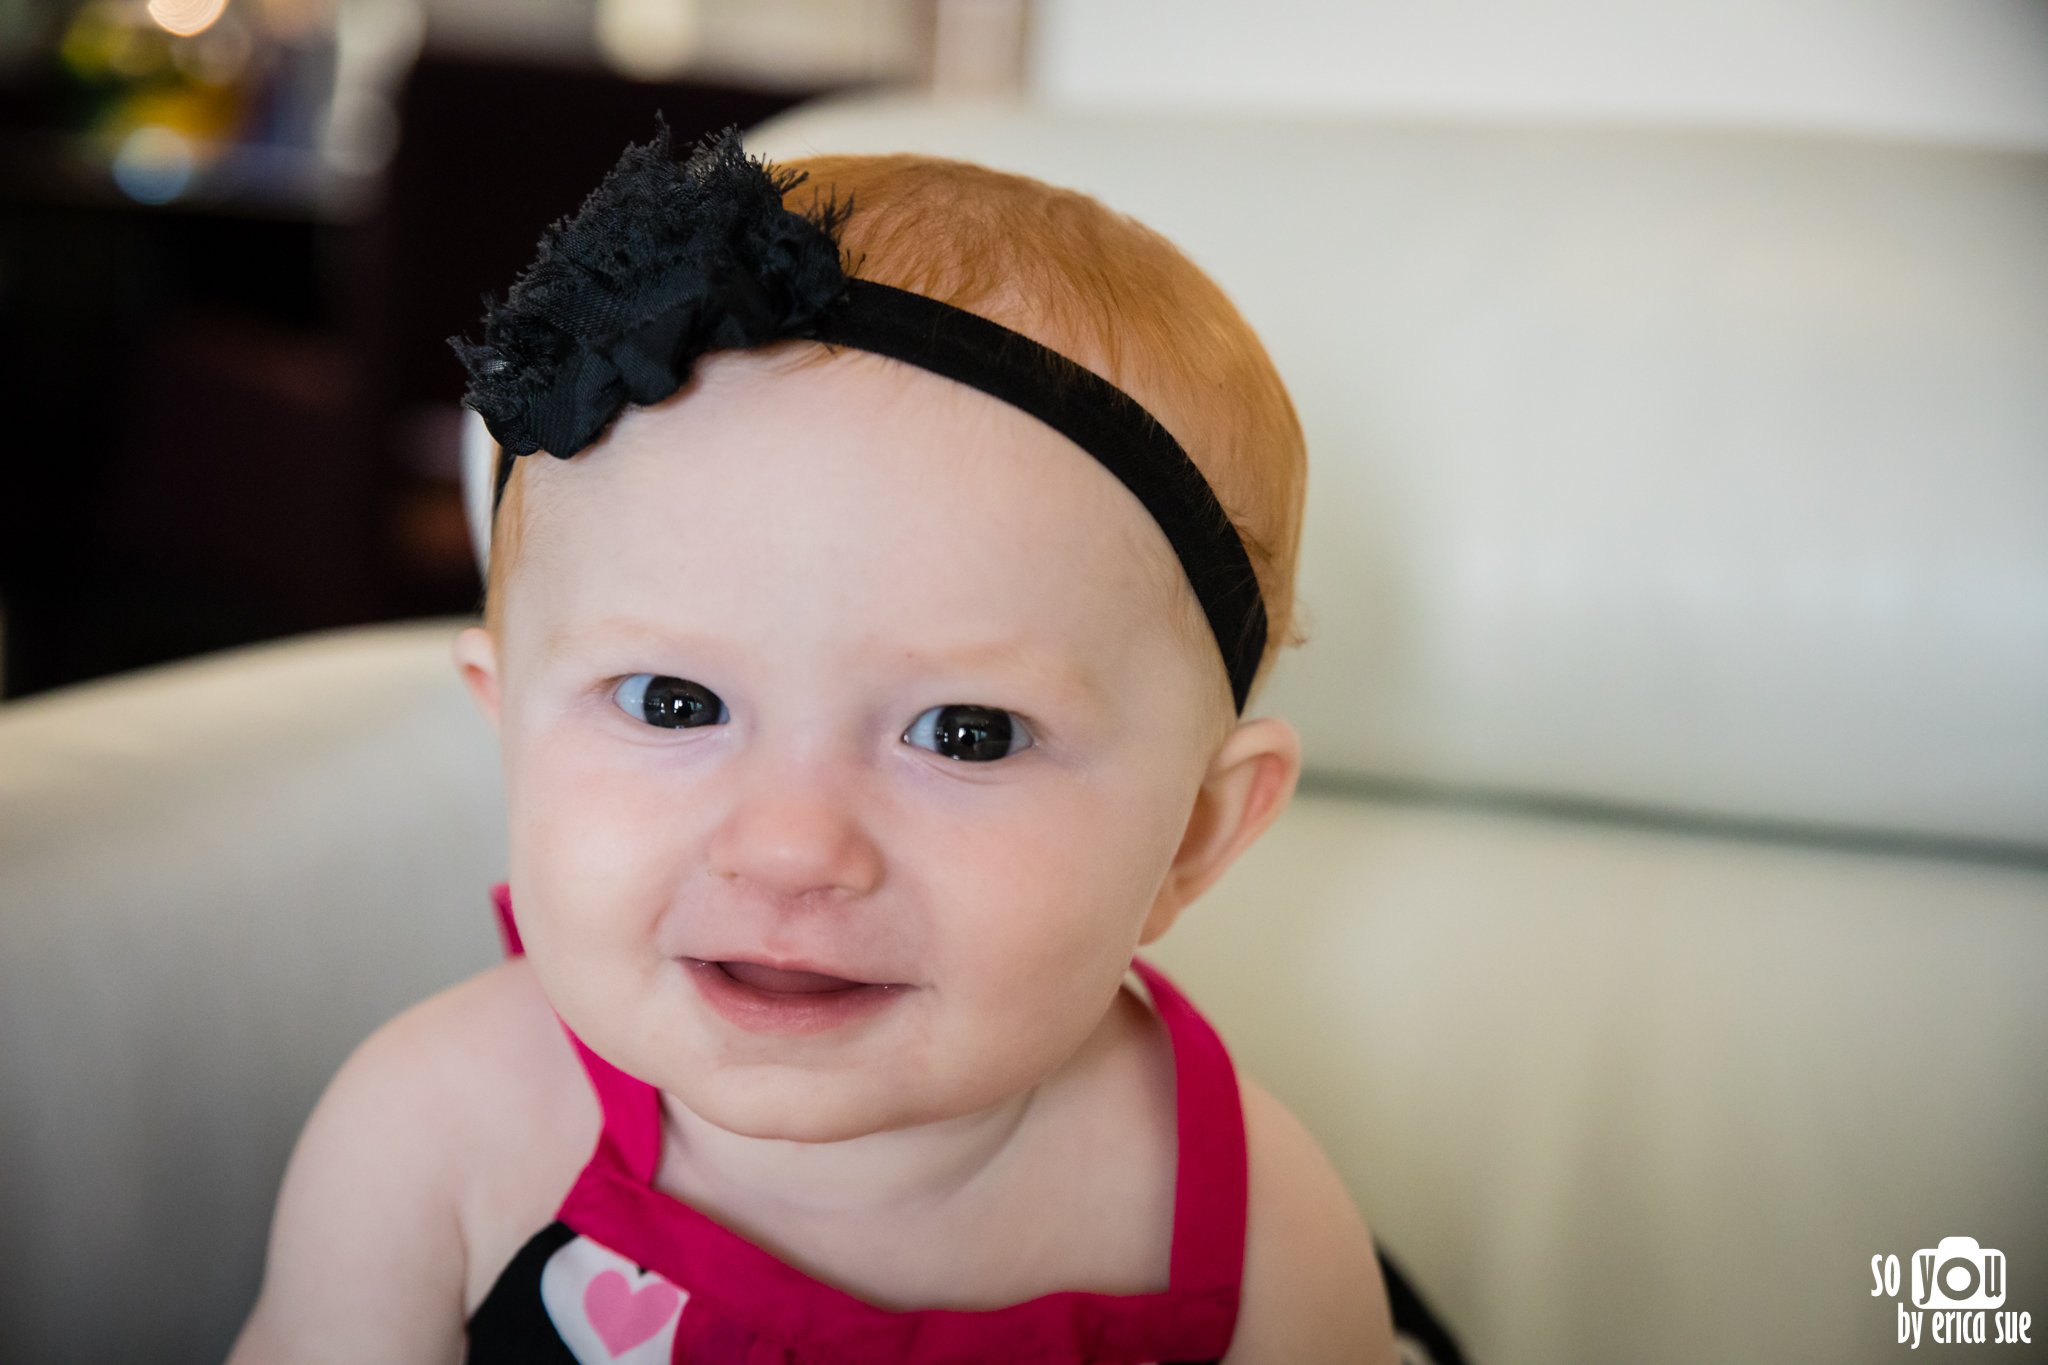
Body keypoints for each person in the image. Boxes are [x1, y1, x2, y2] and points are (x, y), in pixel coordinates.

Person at [228, 127, 1398, 1364]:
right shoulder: (437, 1135)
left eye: (966, 732)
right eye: (675, 703)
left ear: (1196, 837)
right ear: (507, 728)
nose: (791, 847)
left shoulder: (1245, 1223)